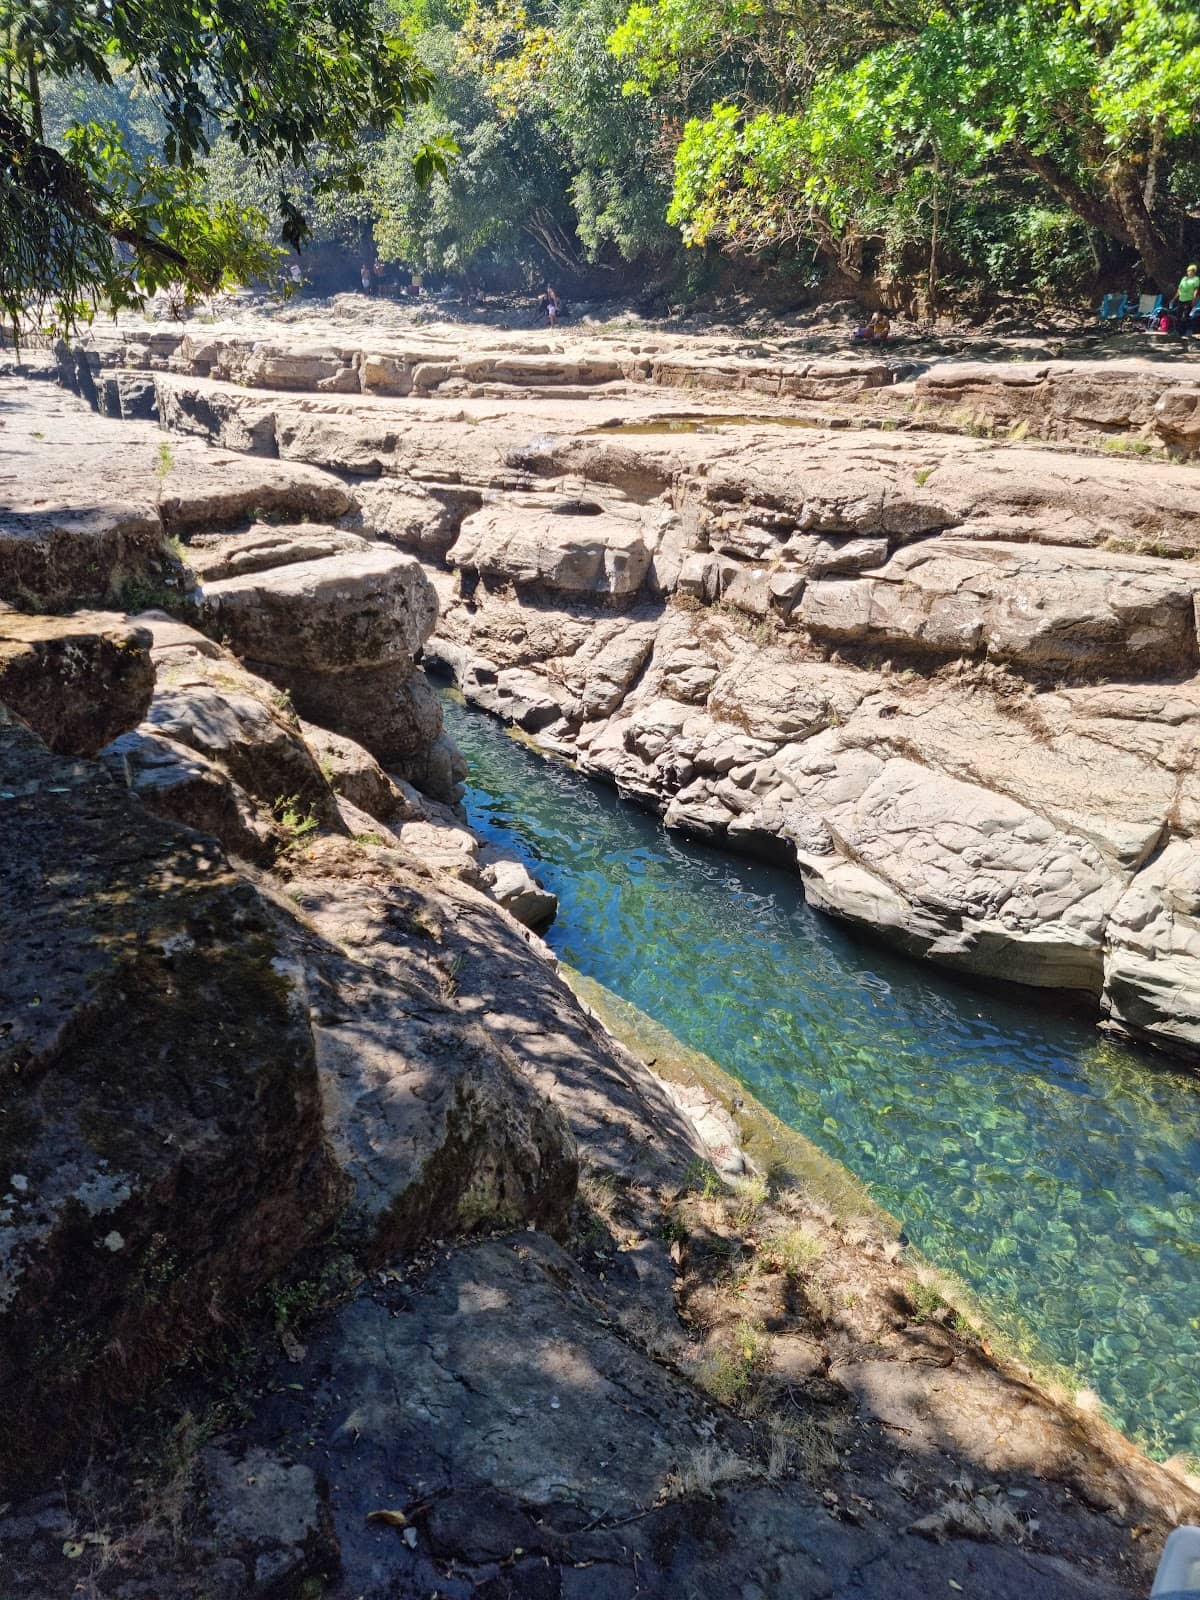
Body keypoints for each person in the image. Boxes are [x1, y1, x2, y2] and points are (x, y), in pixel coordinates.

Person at [1175, 263, 1200, 340]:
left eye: (1191, 271)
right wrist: (1173, 299)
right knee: (1178, 316)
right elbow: (1179, 289)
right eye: (1188, 271)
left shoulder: (1196, 279)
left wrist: (1194, 299)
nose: (1189, 272)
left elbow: (1196, 290)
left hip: (1189, 300)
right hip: (1181, 299)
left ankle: (1183, 332)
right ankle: (1179, 332)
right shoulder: (1184, 279)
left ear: (1194, 271)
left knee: (1185, 316)